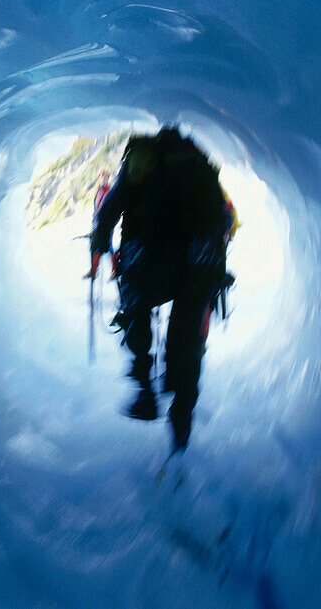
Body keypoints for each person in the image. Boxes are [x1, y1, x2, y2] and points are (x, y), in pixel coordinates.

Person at [87, 127, 236, 450]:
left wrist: (100, 241)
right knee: (187, 340)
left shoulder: (140, 163)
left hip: (148, 263)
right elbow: (224, 219)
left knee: (136, 311)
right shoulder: (198, 165)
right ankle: (181, 415)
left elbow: (109, 209)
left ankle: (144, 387)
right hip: (196, 264)